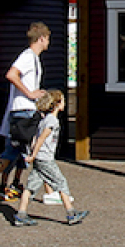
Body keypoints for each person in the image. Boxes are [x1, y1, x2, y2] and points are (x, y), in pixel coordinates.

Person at [0, 22, 51, 208]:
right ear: (41, 38)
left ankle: (49, 191)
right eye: (47, 39)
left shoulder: (33, 58)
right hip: (23, 111)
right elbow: (11, 74)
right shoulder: (27, 56)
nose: (48, 43)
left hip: (27, 110)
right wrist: (30, 94)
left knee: (24, 153)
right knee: (15, 153)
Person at [10, 89, 88, 227]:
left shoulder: (44, 119)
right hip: (45, 159)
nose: (65, 103)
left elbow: (35, 138)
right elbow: (41, 139)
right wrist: (33, 155)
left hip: (40, 158)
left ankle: (21, 214)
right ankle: (71, 213)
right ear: (57, 104)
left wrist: (32, 153)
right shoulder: (52, 121)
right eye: (63, 101)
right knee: (61, 182)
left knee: (31, 186)